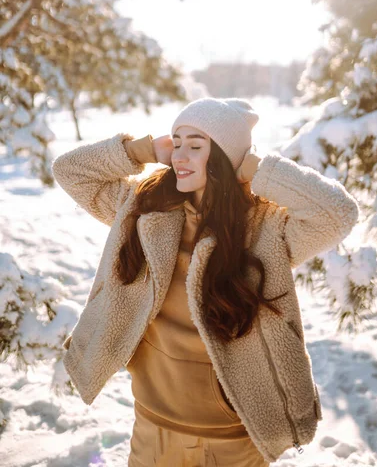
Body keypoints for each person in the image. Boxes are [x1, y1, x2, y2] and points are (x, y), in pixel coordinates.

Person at [52, 97, 359, 466]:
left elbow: (337, 212)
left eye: (195, 146)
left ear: (225, 160)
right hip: (152, 427)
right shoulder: (142, 207)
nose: (180, 155)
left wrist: (255, 168)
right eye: (176, 142)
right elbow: (69, 171)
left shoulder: (264, 229)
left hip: (233, 440)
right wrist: (142, 149)